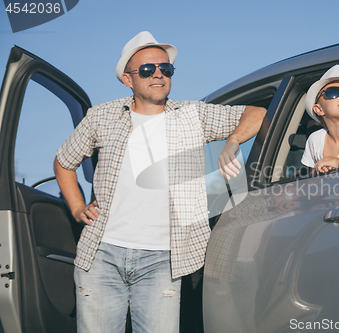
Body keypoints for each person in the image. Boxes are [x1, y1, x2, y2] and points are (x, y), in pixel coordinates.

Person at [53, 31, 266, 333]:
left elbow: (257, 113)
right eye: (147, 69)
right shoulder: (101, 116)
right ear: (128, 79)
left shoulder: (193, 115)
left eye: (165, 69)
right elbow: (64, 161)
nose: (158, 75)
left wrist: (232, 141)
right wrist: (76, 207)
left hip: (163, 260)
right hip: (102, 255)